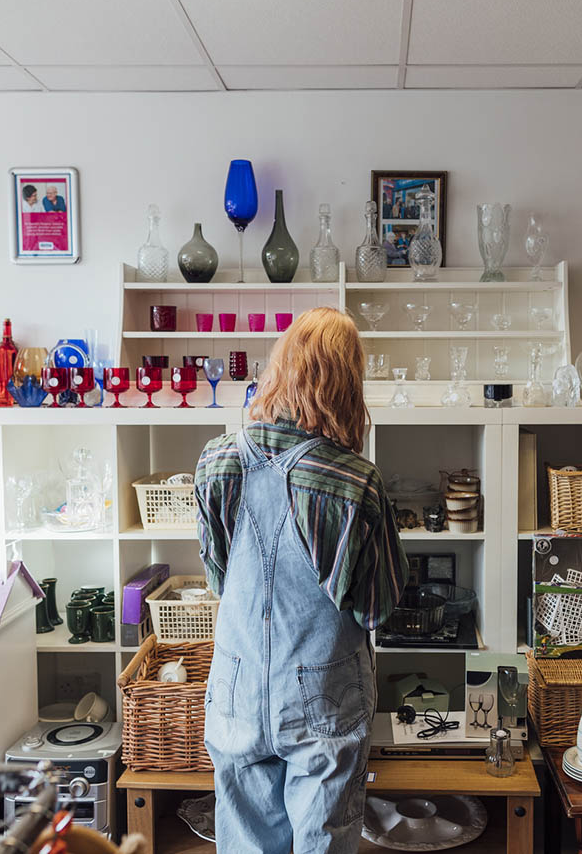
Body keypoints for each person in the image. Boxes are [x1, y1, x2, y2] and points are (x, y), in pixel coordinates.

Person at [195, 307, 407, 854]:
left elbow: (219, 579)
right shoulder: (355, 480)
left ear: (280, 367)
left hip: (237, 684)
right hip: (325, 693)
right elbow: (377, 609)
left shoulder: (215, 461)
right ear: (347, 383)